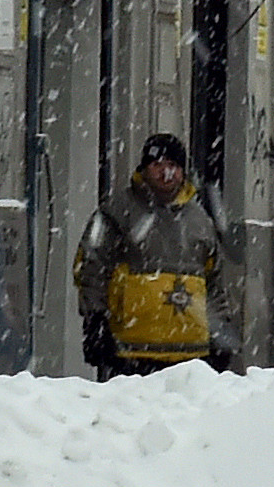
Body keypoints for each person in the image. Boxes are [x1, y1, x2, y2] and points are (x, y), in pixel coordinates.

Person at [76, 133, 236, 379]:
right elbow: (90, 267)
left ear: (183, 171)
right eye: (157, 164)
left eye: (173, 165)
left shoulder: (200, 220)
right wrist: (95, 322)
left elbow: (212, 283)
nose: (166, 172)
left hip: (191, 357)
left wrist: (220, 332)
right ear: (145, 168)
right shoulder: (117, 211)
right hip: (131, 353)